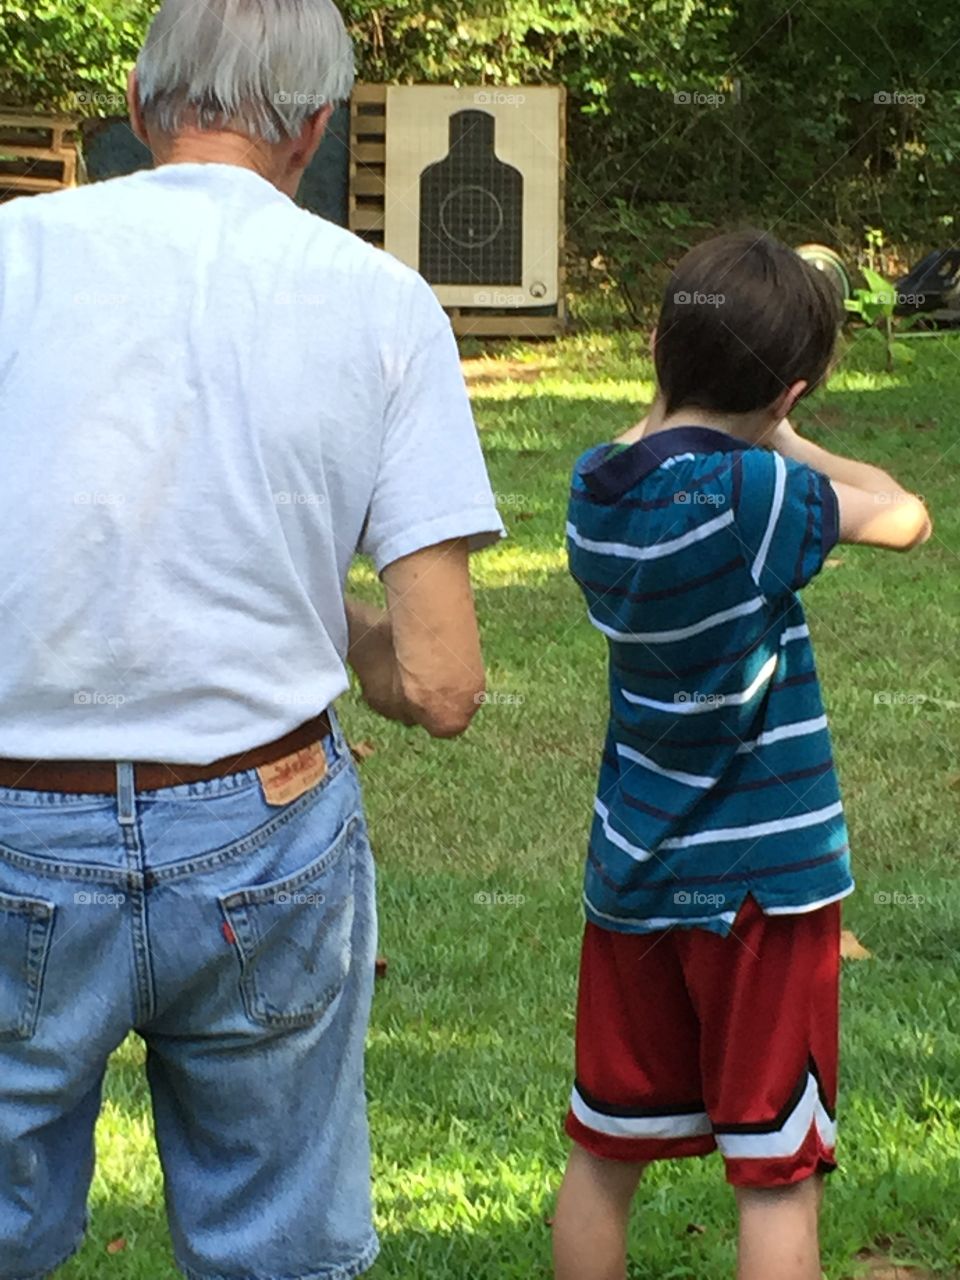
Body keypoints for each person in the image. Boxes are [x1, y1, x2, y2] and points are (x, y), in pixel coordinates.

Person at [0, 1, 504, 1277]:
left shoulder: (11, 255)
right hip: (264, 828)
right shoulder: (386, 305)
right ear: (318, 127)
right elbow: (444, 683)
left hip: (13, 817)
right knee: (279, 1247)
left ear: (137, 100)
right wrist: (324, 616)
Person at [552, 230, 932, 1280]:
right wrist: (791, 439)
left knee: (604, 1150)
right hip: (769, 893)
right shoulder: (758, 496)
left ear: (659, 349)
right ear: (790, 389)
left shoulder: (597, 491)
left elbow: (654, 438)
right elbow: (906, 515)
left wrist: (710, 404)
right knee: (775, 1167)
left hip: (634, 880)